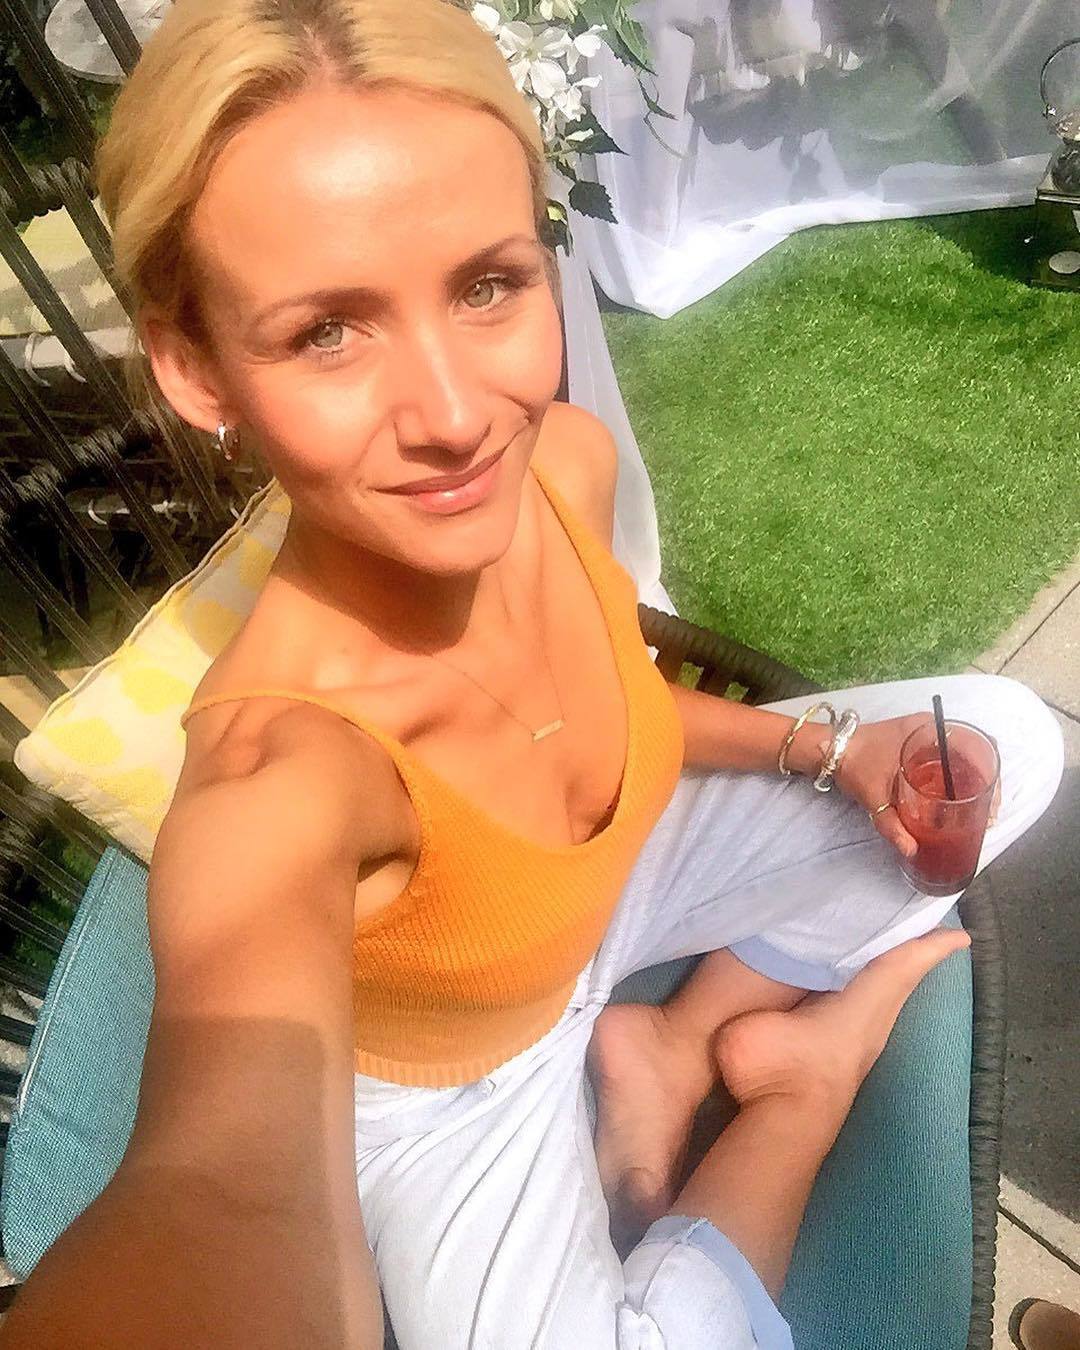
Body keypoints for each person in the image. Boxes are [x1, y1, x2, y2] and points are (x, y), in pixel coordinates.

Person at [0, 2, 1063, 1347]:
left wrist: (830, 751)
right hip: (457, 1093)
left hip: (613, 894)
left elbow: (606, 695)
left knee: (1011, 741)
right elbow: (220, 1186)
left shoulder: (562, 465)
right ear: (196, 367)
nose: (457, 418)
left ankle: (682, 1038)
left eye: (486, 285)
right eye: (327, 332)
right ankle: (801, 1090)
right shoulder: (281, 783)